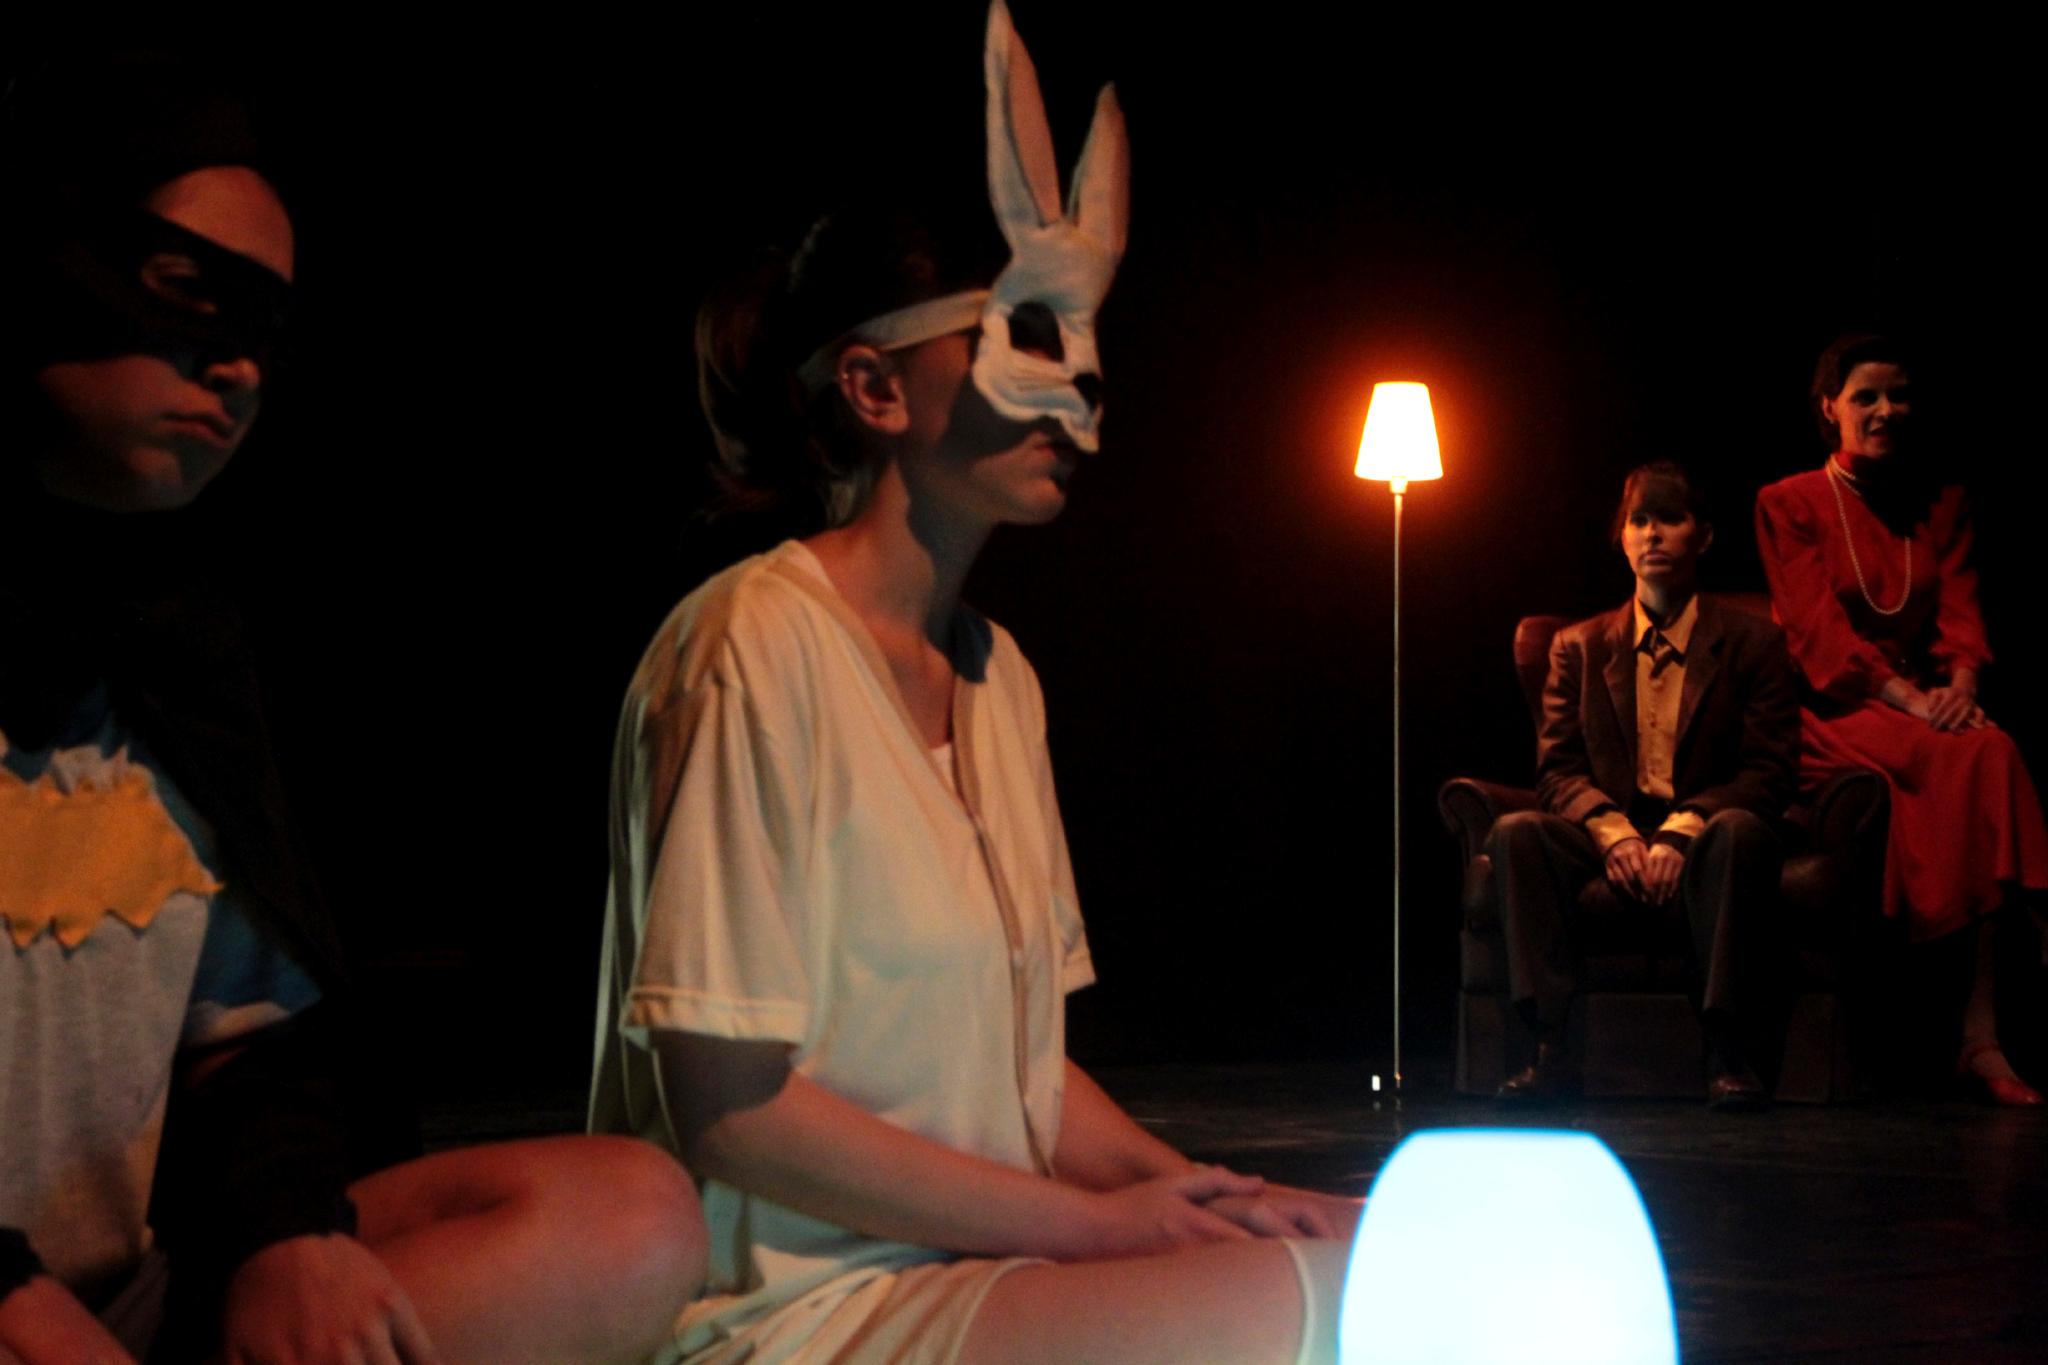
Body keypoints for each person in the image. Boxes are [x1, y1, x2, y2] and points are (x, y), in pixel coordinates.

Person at [590, 6, 1358, 1362]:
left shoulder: (1000, 679)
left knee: (1377, 1260)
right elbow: (731, 1109)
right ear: (875, 389)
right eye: (1028, 337)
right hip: (790, 1310)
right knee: (1317, 1316)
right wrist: (1103, 1233)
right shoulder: (749, 646)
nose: (1081, 388)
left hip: (978, 1267)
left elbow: (1023, 1078)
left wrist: (1220, 1199)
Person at [0, 53, 704, 1363]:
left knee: (629, 1215)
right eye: (186, 289)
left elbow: (245, 1040)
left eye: (268, 332)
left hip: (118, 1289)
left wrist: (279, 1228)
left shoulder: (174, 655)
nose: (239, 370)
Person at [1755, 333, 2048, 1105]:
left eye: (1899, 395)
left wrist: (1961, 684)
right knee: (1965, 755)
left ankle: (1982, 1032)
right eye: (1867, 397)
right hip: (1835, 707)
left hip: (1921, 702)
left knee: (1992, 747)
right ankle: (1959, 1028)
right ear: (1830, 407)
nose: (1887, 410)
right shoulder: (1789, 501)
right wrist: (1917, 702)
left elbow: (1962, 611)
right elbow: (1818, 636)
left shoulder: (1939, 499)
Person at [1487, 462, 1800, 1111]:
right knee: (1518, 833)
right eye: (1639, 520)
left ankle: (1726, 1048)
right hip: (1611, 830)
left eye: (1670, 518)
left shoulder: (1755, 642)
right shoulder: (1577, 647)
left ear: (1703, 536)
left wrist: (1683, 831)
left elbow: (1769, 771)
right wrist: (1613, 833)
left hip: (1706, 832)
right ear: (1622, 538)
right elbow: (1557, 770)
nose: (1652, 534)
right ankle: (1549, 1046)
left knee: (1740, 832)